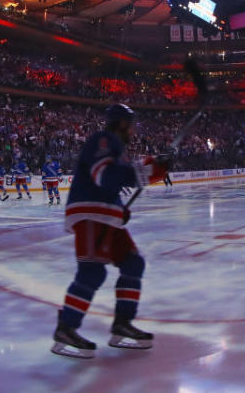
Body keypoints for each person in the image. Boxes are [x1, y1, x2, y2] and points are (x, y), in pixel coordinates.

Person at [51, 103, 168, 359]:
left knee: (133, 263)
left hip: (104, 214)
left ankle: (122, 323)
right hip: (91, 213)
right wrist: (151, 168)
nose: (134, 130)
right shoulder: (104, 139)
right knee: (92, 272)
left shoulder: (117, 148)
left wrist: (118, 207)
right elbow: (104, 176)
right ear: (122, 123)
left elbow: (112, 183)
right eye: (131, 124)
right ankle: (66, 327)